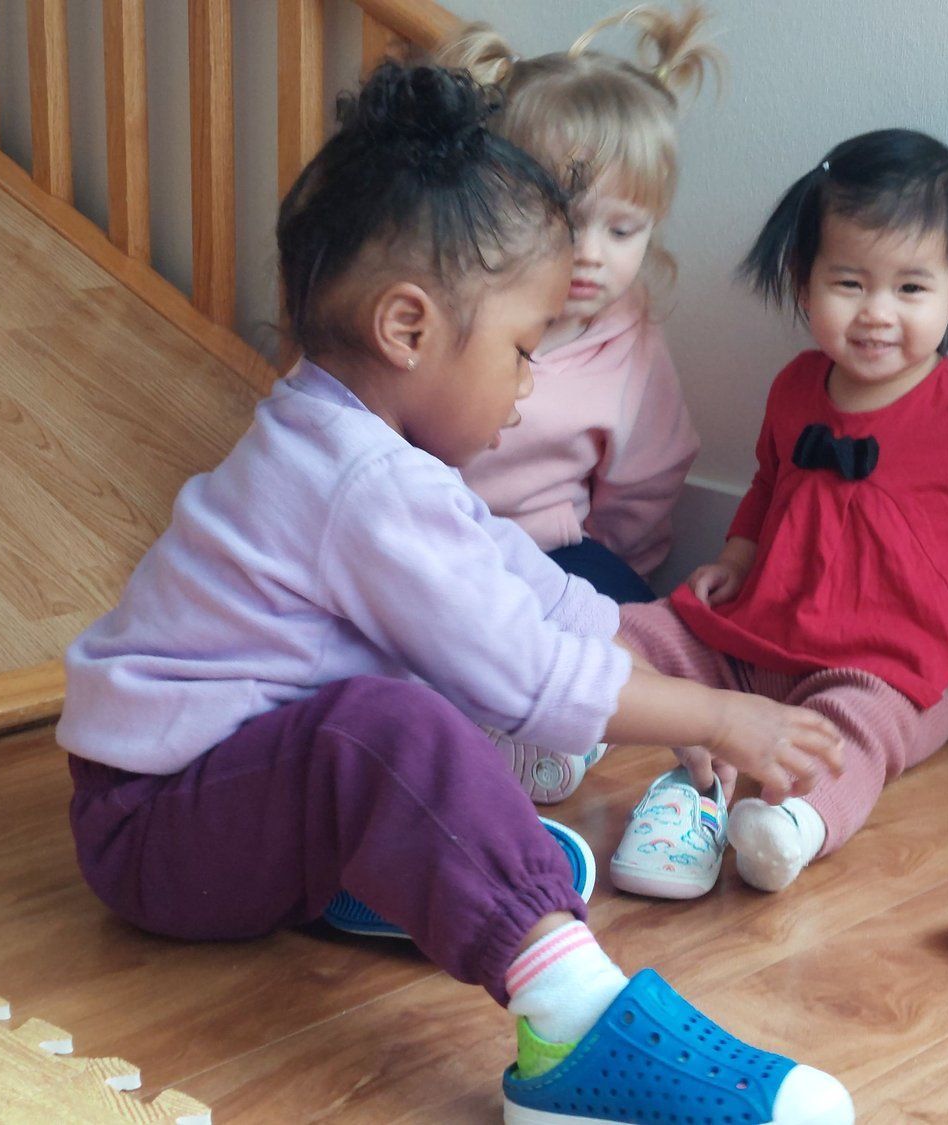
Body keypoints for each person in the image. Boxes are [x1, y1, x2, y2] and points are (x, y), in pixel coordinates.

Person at [56, 64, 852, 1123]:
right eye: (522, 349)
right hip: (156, 832)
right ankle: (574, 1036)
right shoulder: (360, 481)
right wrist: (711, 715)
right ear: (409, 328)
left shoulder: (362, 446)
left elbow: (534, 589)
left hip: (227, 794)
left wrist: (667, 681)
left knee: (413, 715)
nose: (529, 383)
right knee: (391, 724)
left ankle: (411, 868)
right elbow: (522, 675)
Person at [609, 129, 948, 901]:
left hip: (892, 665)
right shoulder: (796, 386)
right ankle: (565, 727)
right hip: (766, 629)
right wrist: (735, 558)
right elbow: (770, 484)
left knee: (859, 731)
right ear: (805, 285)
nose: (877, 313)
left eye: (911, 288)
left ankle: (793, 823)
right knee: (633, 628)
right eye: (850, 283)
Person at [440, 5, 714, 607]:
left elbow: (644, 480)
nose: (590, 255)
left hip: (551, 549)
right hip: (432, 531)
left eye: (622, 231)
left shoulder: (630, 340)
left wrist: (615, 568)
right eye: (566, 222)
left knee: (628, 624)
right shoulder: (453, 298)